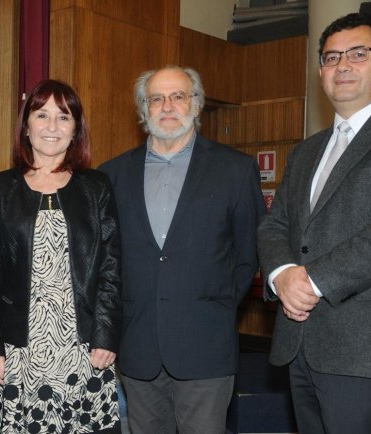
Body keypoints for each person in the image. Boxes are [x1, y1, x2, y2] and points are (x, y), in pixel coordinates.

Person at [257, 13, 371, 434]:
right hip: (300, 344)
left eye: (358, 54)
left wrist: (309, 280)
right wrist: (281, 274)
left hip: (370, 350)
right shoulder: (307, 150)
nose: (342, 65)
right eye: (330, 58)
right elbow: (275, 227)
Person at [99, 66, 264, 434]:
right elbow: (106, 262)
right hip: (137, 348)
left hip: (206, 345)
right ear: (144, 109)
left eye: (178, 96)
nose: (167, 106)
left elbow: (247, 254)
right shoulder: (111, 175)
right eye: (156, 98)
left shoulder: (235, 170)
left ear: (197, 103)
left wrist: (212, 305)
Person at [0, 79, 122, 434]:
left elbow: (111, 267)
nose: (52, 127)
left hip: (83, 347)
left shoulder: (96, 186)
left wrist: (106, 335)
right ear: (26, 127)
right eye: (42, 115)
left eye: (64, 117)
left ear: (76, 130)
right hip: (20, 348)